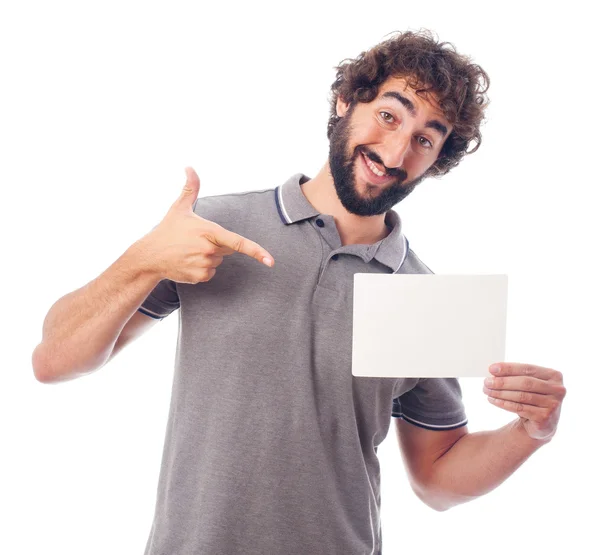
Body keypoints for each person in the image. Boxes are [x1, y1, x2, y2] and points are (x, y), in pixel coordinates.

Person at [32, 29, 567, 555]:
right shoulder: (218, 228)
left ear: (436, 160)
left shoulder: (420, 296)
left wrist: (530, 433)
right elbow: (55, 360)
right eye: (389, 115)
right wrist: (143, 259)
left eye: (426, 138)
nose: (397, 149)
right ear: (345, 101)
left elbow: (436, 480)